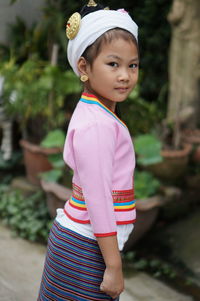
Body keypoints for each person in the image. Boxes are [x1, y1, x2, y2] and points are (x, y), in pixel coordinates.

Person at [37, 1, 139, 300]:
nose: (125, 75)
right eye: (113, 64)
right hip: (85, 249)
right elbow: (98, 198)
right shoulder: (97, 125)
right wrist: (114, 265)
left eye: (132, 65)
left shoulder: (96, 113)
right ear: (84, 66)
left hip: (84, 245)